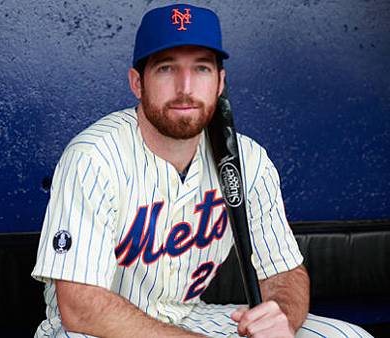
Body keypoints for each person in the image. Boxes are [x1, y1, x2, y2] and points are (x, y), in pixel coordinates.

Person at [32, 4, 372, 337]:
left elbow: (284, 272)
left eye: (201, 69)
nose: (185, 87)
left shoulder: (248, 160)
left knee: (348, 335)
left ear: (220, 82)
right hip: (95, 330)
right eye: (166, 68)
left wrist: (279, 318)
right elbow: (79, 307)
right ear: (138, 82)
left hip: (191, 317)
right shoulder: (94, 157)